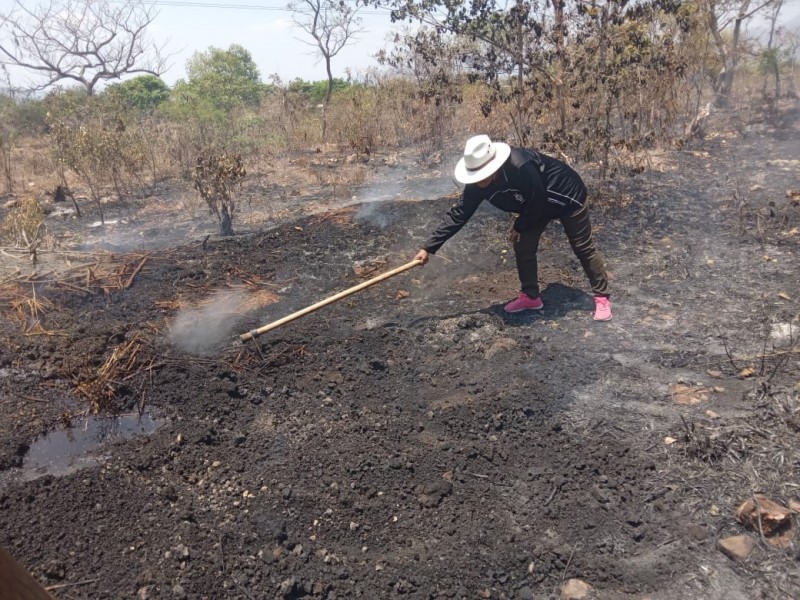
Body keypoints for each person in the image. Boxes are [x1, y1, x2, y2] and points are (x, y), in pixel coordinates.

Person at [413, 134, 612, 321]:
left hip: (566, 196)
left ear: (493, 165)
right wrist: (429, 247)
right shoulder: (476, 184)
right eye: (475, 175)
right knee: (523, 245)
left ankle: (602, 298)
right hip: (534, 205)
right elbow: (459, 213)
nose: (479, 180)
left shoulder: (519, 166)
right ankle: (531, 297)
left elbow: (539, 201)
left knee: (581, 246)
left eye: (482, 174)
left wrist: (520, 224)